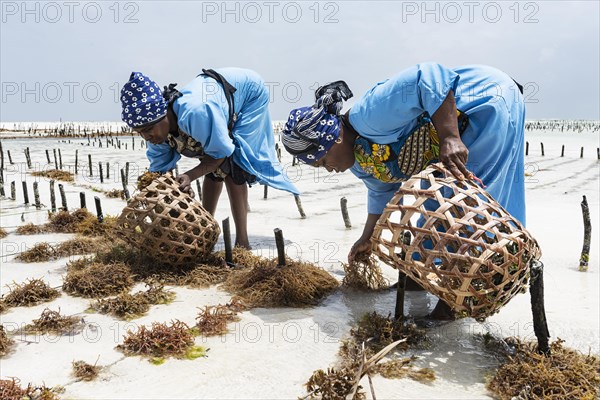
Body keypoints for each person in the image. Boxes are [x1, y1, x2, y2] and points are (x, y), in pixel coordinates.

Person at [281, 63, 526, 318]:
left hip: (485, 102)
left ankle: (452, 303)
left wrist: (449, 136)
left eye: (322, 161)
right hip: (464, 124)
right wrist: (368, 237)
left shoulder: (370, 114)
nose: (328, 169)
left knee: (461, 205)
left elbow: (427, 77)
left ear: (334, 138)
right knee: (433, 207)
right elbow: (380, 193)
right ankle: (418, 280)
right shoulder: (361, 161)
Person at [120, 68, 299, 249]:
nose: (146, 137)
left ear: (164, 114)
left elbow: (222, 153)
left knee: (234, 164)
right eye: (139, 132)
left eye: (148, 130)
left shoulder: (196, 113)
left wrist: (189, 175)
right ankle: (205, 229)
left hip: (248, 92)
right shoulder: (156, 135)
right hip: (213, 96)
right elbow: (160, 171)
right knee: (213, 169)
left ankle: (242, 242)